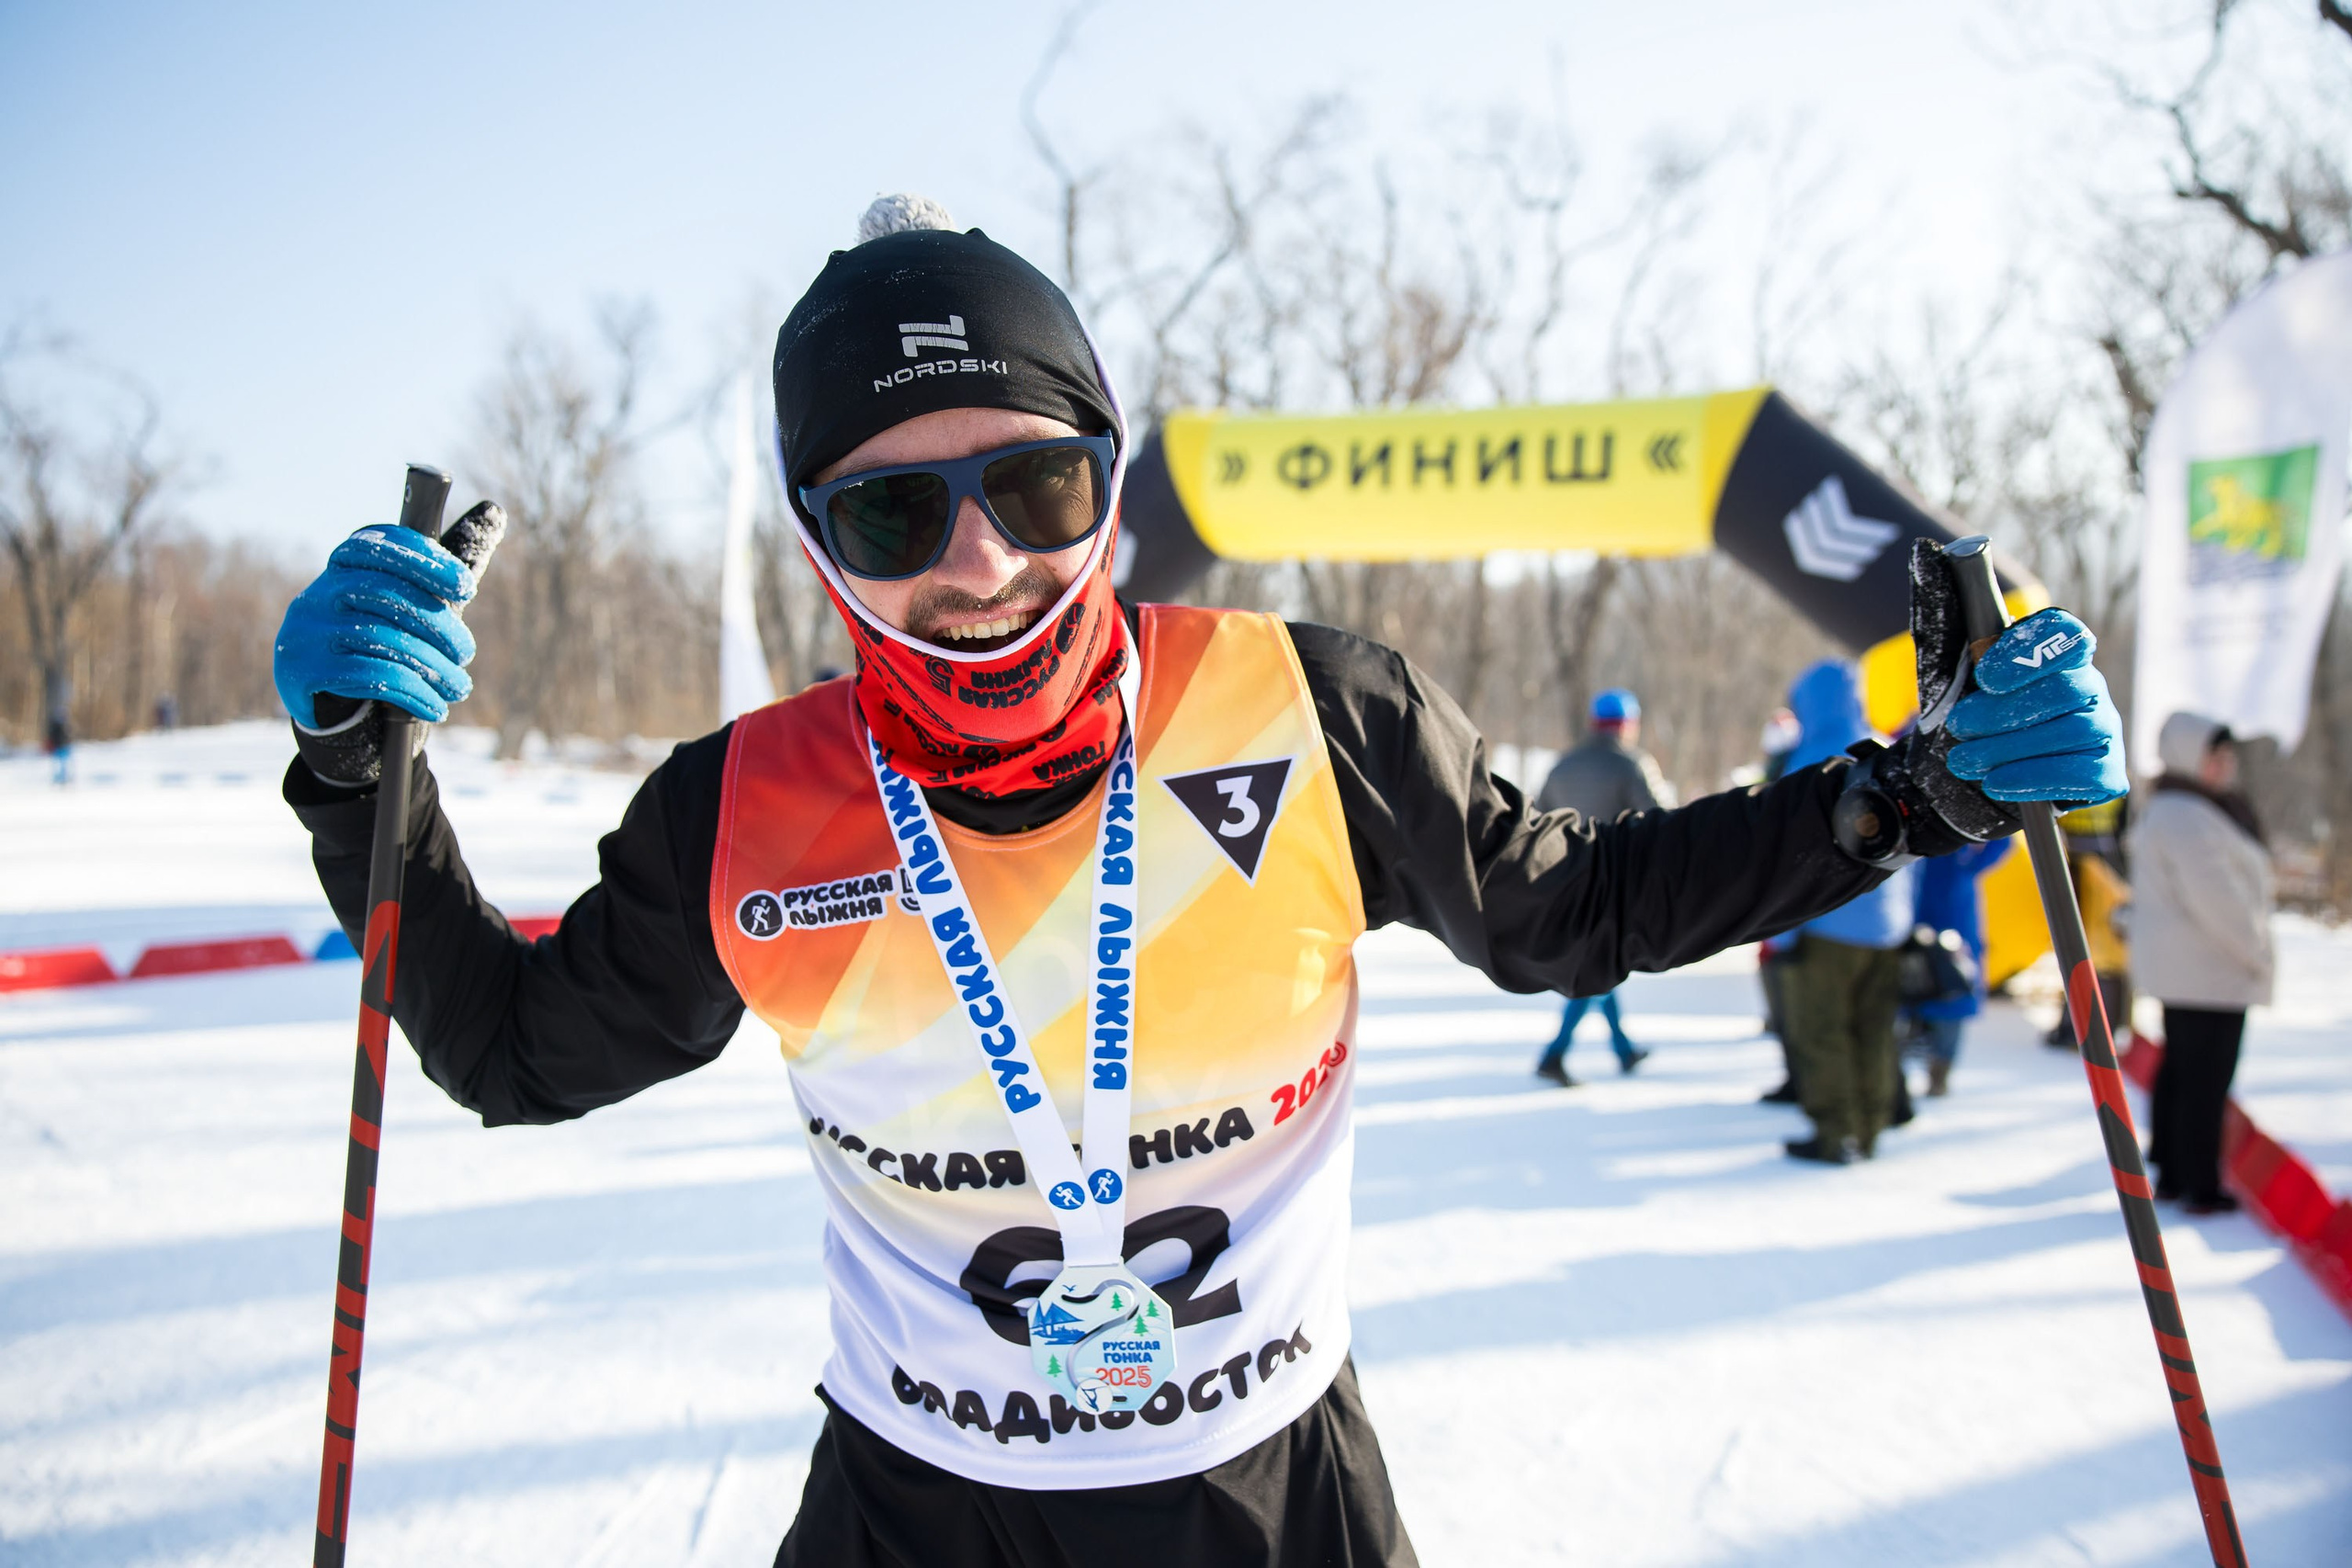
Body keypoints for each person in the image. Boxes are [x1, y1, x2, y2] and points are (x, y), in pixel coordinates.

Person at [269, 197, 2129, 1567]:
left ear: (1108, 473)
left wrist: (1908, 793)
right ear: (819, 543)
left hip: (1273, 1495)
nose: (982, 561)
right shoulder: (746, 808)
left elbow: (1572, 908)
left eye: (1038, 485)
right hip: (923, 1513)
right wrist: (364, 778)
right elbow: (514, 1049)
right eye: (895, 514)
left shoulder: (1307, 713)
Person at [2131, 713, 2273, 1215]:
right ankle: (2199, 1184)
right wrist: (2254, 952)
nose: (2225, 766)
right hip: (2209, 967)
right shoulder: (2188, 813)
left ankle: (2173, 1170)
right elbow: (2218, 898)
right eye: (2217, 756)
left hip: (2190, 968)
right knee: (2205, 1080)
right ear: (2192, 757)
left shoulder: (2174, 807)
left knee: (2183, 1070)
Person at [1776, 660, 1917, 1165]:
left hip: (1827, 925)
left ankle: (1837, 1132)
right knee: (1875, 1028)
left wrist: (1781, 928)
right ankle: (1872, 1125)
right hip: (1887, 925)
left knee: (1823, 1029)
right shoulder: (1889, 750)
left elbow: (1785, 855)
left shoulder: (1809, 760)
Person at [1532, 688, 1673, 1084]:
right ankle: (1554, 1054)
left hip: (1564, 882)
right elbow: (1660, 820)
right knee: (1597, 967)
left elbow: (1536, 821)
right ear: (1627, 725)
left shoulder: (1563, 765)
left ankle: (1623, 1049)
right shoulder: (1633, 765)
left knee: (1599, 963)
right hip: (1613, 883)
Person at [1904, 838, 2010, 1096]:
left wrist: (1970, 866)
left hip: (1953, 908)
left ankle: (1939, 1072)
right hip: (1913, 901)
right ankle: (1896, 1080)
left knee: (1953, 988)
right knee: (1906, 989)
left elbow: (2004, 838)